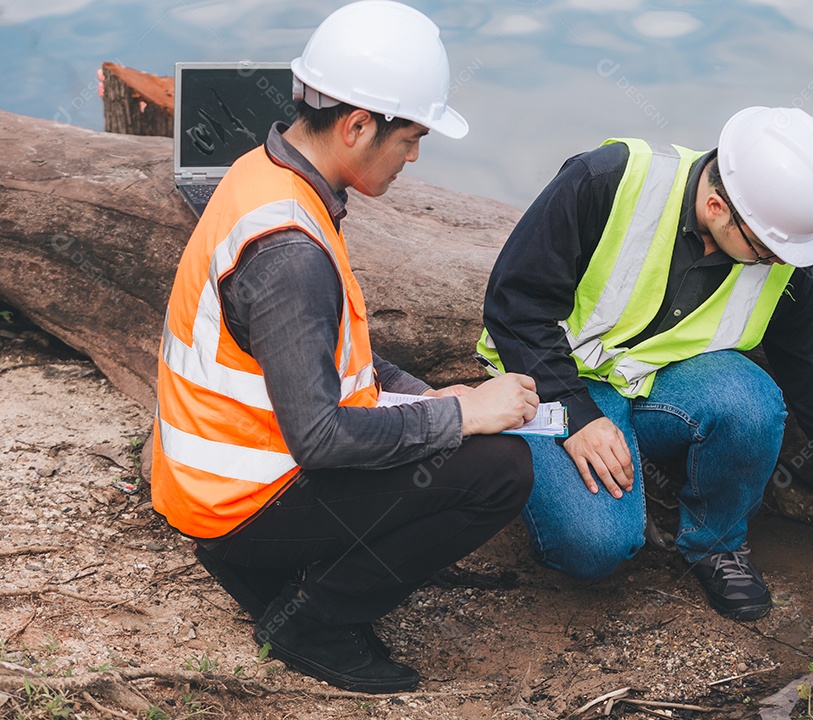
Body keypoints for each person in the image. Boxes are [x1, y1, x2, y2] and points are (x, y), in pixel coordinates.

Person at [151, 1, 538, 693]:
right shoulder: (291, 253)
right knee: (501, 469)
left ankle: (279, 570)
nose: (414, 156)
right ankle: (312, 623)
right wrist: (460, 417)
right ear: (358, 125)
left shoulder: (265, 174)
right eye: (410, 137)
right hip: (240, 506)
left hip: (215, 486)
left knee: (462, 436)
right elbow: (322, 441)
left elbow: (332, 350)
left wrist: (427, 395)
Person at [477, 107, 813, 621]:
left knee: (752, 401)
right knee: (595, 547)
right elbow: (515, 303)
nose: (777, 263)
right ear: (717, 206)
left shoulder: (780, 246)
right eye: (765, 251)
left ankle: (715, 543)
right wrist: (578, 416)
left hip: (655, 386)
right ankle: (534, 461)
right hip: (549, 388)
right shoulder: (607, 180)